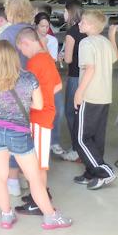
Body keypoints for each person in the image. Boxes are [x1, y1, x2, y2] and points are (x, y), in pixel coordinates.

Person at [0, 40, 72, 230]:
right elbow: (38, 105)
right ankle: (51, 216)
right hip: (20, 133)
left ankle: (6, 216)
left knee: (0, 177)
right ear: (14, 56)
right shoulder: (29, 78)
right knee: (34, 178)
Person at [13, 27, 63, 215]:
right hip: (45, 114)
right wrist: (45, 99)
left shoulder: (34, 62)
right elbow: (58, 85)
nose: (23, 53)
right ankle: (42, 192)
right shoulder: (48, 58)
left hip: (38, 117)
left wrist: (36, 103)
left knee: (38, 164)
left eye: (22, 49)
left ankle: (37, 202)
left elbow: (27, 93)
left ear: (26, 43)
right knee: (38, 161)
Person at [73, 9, 118, 190]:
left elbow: (90, 69)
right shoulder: (105, 42)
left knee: (81, 138)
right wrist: (112, 36)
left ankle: (103, 171)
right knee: (95, 137)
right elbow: (115, 57)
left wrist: (79, 92)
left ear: (91, 26)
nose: (79, 24)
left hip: (90, 96)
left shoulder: (86, 43)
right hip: (104, 96)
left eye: (83, 22)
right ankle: (91, 172)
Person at [0, 0, 36, 196]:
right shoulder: (33, 31)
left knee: (10, 132)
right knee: (27, 132)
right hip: (32, 87)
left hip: (10, 87)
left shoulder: (7, 33)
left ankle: (12, 181)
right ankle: (27, 176)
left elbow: (0, 62)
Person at [35, 12, 66, 157]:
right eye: (42, 26)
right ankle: (41, 142)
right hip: (36, 81)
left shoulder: (51, 40)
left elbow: (51, 61)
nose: (44, 29)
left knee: (57, 111)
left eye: (47, 26)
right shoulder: (31, 40)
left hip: (51, 79)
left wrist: (45, 45)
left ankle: (54, 141)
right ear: (36, 26)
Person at [61, 0, 85, 162]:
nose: (63, 14)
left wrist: (61, 56)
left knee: (71, 112)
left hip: (75, 77)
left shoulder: (71, 32)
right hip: (88, 77)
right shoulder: (87, 30)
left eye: (64, 11)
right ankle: (85, 146)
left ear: (70, 12)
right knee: (84, 113)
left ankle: (76, 148)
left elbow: (68, 59)